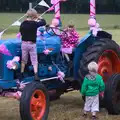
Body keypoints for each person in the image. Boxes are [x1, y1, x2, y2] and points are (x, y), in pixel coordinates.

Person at [19, 8, 46, 81]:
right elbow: (43, 22)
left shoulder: (23, 23)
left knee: (24, 60)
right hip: (32, 44)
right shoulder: (34, 24)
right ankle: (36, 75)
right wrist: (40, 17)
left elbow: (21, 32)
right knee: (34, 60)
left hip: (24, 44)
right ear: (34, 16)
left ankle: (21, 74)